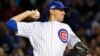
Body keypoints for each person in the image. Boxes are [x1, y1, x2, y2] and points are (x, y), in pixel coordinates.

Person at [6, 1, 90, 56]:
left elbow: (80, 48)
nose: (64, 12)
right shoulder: (36, 26)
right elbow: (10, 23)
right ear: (52, 11)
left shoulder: (66, 28)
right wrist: (28, 13)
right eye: (61, 10)